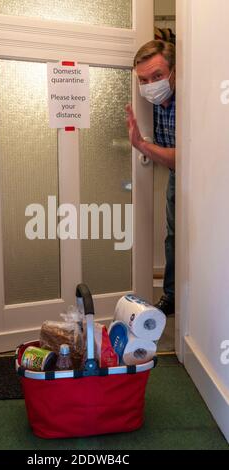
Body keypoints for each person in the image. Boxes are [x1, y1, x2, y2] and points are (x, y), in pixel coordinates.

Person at [126, 40, 176, 316]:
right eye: (143, 80)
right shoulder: (149, 104)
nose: (151, 85)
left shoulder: (189, 101)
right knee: (173, 236)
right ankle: (172, 295)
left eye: (157, 76)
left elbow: (186, 159)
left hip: (206, 177)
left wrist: (143, 146)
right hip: (174, 175)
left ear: (174, 71)